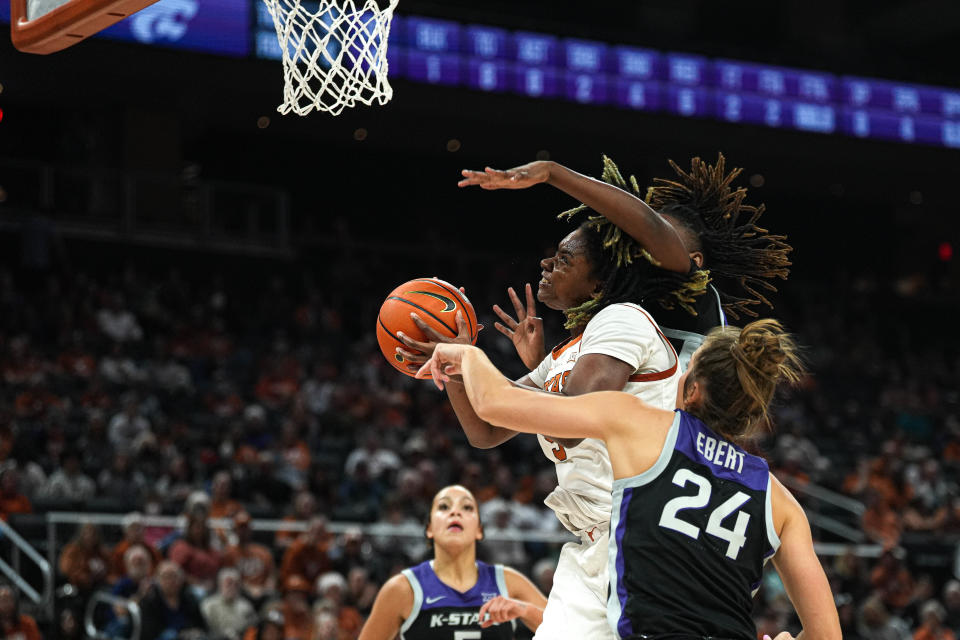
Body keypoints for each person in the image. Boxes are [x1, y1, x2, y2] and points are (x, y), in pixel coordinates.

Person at [419, 321, 841, 640]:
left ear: (691, 390)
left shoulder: (640, 423)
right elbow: (826, 635)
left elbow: (495, 406)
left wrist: (467, 356)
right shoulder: (781, 502)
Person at [458, 155, 792, 369]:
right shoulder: (621, 309)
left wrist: (552, 173)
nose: (636, 241)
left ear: (694, 261)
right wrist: (542, 365)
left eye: (650, 237)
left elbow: (649, 226)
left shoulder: (697, 299)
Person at [358, 485, 547, 640]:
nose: (455, 512)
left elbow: (567, 630)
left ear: (479, 530)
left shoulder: (507, 581)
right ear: (429, 528)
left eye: (467, 508)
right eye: (444, 507)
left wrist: (524, 611)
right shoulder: (402, 588)